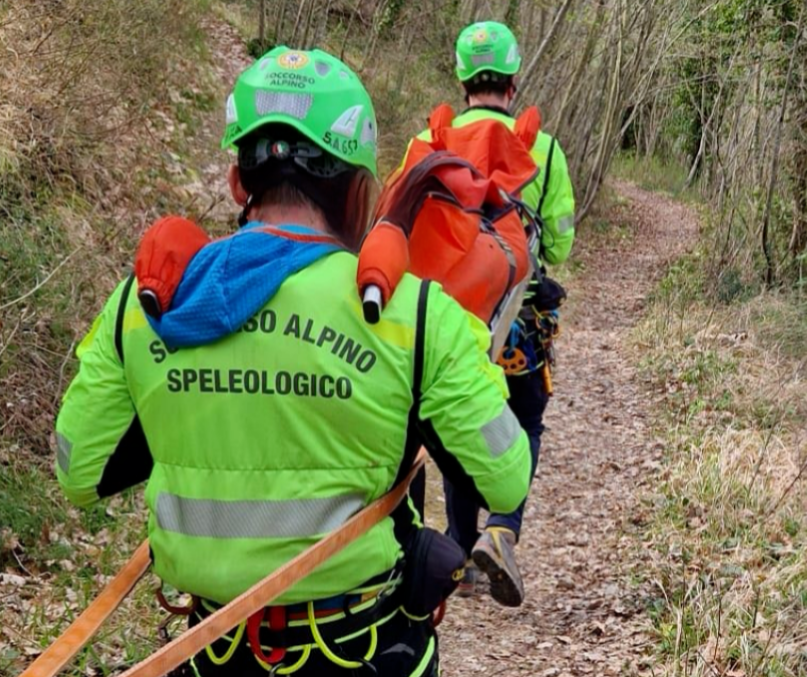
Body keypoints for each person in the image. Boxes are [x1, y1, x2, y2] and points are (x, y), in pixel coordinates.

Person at [53, 46, 532, 677]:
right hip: (361, 650)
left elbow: (77, 469)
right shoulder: (414, 315)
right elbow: (504, 475)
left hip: (210, 652)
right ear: (362, 191)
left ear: (236, 182)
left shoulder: (146, 305)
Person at [409, 21, 576, 608]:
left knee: (458, 426)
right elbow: (558, 243)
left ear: (461, 77)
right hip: (520, 321)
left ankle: (458, 544)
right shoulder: (545, 151)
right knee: (524, 419)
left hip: (445, 322)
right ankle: (503, 527)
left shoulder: (431, 141)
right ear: (512, 78)